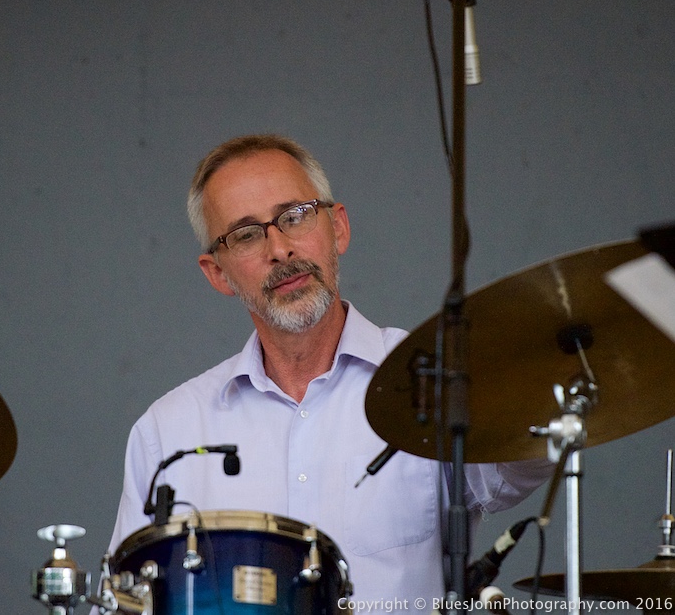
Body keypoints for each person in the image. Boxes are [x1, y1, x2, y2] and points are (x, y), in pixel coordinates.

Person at [99, 134, 550, 613]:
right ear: (218, 274)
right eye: (247, 234)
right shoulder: (167, 432)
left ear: (337, 228)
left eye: (294, 216)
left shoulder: (434, 381)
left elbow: (527, 457)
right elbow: (121, 605)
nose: (279, 249)